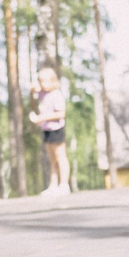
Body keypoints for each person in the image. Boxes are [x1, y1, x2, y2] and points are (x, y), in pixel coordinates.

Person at [32, 65, 71, 195]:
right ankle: (53, 185)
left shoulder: (56, 94)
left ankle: (64, 184)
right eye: (41, 81)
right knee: (51, 159)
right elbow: (32, 90)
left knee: (60, 157)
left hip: (56, 129)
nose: (43, 84)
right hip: (46, 129)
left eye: (46, 81)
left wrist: (42, 117)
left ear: (53, 81)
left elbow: (61, 114)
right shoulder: (42, 93)